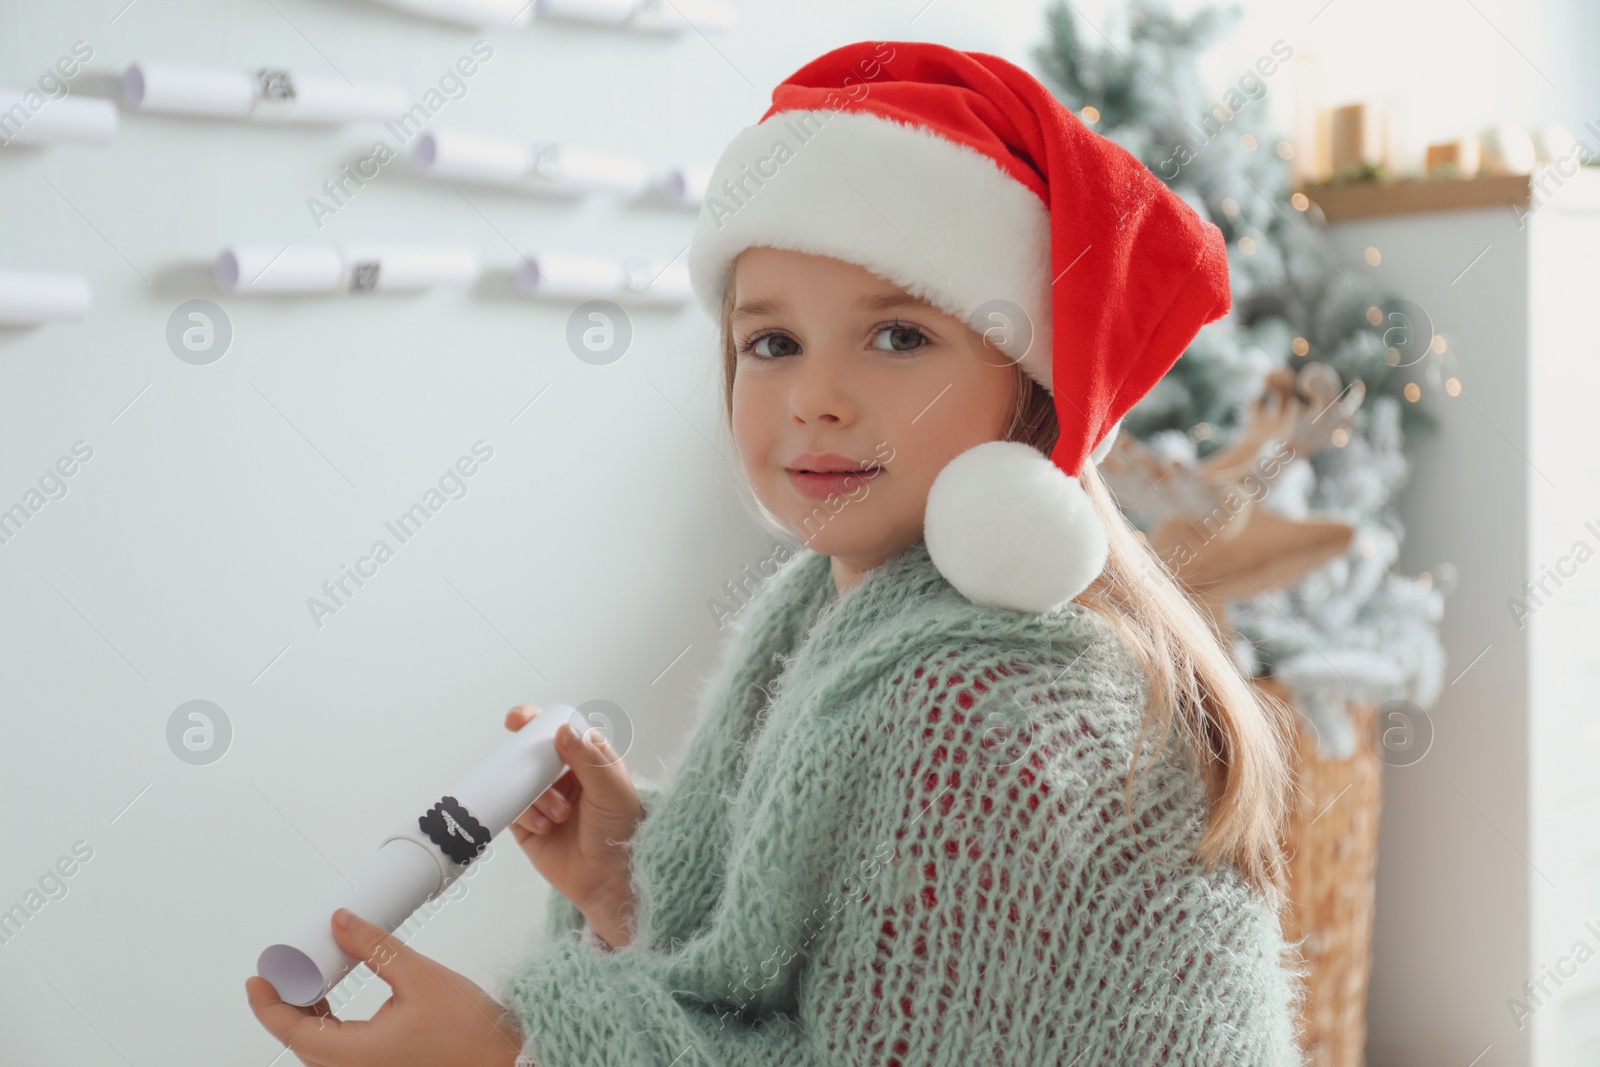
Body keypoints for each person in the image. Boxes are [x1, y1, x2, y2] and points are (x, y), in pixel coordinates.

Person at [247, 38, 1311, 1066]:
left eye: (898, 336)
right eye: (772, 343)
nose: (815, 397)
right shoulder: (835, 611)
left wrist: (513, 1051)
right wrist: (631, 885)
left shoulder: (990, 705)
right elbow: (845, 971)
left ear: (1030, 391)